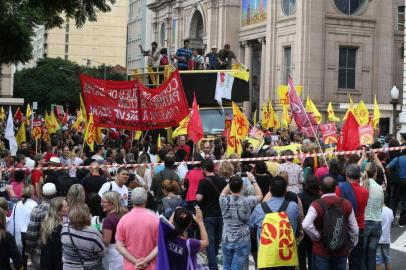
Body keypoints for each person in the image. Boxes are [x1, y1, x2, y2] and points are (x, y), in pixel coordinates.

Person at [302, 176, 359, 270]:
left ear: (320, 189)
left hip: (321, 250)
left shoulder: (316, 205)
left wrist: (317, 236)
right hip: (341, 250)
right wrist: (351, 245)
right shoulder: (346, 204)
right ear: (335, 188)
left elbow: (306, 224)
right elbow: (354, 229)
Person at [250, 176, 300, 270]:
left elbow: (252, 227)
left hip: (266, 259)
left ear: (270, 190)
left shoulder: (259, 209)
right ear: (285, 190)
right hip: (287, 257)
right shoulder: (293, 207)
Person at [220, 175, 263, 270]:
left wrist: (233, 179)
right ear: (242, 187)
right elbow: (260, 195)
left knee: (226, 266)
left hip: (226, 238)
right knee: (237, 267)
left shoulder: (223, 200)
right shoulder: (248, 201)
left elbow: (224, 192)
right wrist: (253, 180)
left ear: (230, 187)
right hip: (242, 239)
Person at [116, 187, 159, 270]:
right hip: (150, 266)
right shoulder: (155, 219)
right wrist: (145, 261)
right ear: (146, 200)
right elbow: (159, 246)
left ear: (131, 200)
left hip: (130, 266)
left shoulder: (124, 219)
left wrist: (135, 261)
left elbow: (119, 245)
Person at [335, 164, 368, 270]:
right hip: (359, 228)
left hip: (343, 228)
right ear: (359, 176)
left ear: (346, 175)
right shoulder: (365, 192)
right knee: (356, 262)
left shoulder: (338, 189)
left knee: (340, 262)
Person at [196, 159, 227, 270]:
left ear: (204, 169)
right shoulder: (222, 180)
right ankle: (212, 260)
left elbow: (198, 198)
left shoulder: (203, 182)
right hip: (221, 215)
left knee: (210, 241)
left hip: (208, 215)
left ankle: (213, 266)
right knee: (217, 240)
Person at [61, 205, 105, 269]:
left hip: (68, 267)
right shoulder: (93, 233)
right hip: (88, 267)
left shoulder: (65, 228)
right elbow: (102, 253)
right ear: (86, 216)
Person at [26, 182, 57, 270]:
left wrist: (29, 251)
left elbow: (31, 233)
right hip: (57, 252)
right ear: (55, 194)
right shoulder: (61, 208)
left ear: (42, 194)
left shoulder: (37, 209)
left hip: (39, 251)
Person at [362, 162, 384, 270]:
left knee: (361, 254)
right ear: (375, 173)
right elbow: (381, 206)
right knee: (372, 255)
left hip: (364, 222)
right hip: (376, 222)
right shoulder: (379, 188)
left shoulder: (361, 185)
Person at [9, 184, 37, 269]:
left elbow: (12, 219)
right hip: (28, 235)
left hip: (17, 234)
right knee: (27, 258)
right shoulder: (34, 204)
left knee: (19, 259)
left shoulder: (16, 204)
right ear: (32, 193)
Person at [297, 175, 320, 270]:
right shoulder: (319, 197)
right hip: (315, 229)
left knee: (302, 255)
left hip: (302, 229)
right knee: (313, 255)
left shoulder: (299, 196)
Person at [40, 197, 69, 270]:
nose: (68, 208)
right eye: (65, 207)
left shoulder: (48, 223)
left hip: (46, 262)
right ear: (58, 211)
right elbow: (57, 252)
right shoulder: (57, 228)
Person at [101, 191, 127, 270]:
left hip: (113, 255)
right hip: (126, 252)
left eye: (104, 202)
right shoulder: (126, 214)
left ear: (112, 203)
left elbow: (106, 242)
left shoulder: (109, 219)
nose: (101, 204)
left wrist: (95, 234)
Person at [386, 148, 406, 226]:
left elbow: (387, 167)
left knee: (394, 201)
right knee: (404, 202)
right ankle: (403, 221)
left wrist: (390, 176)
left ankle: (391, 221)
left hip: (398, 182)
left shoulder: (397, 159)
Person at [376, 192, 394, 270]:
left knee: (377, 260)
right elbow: (392, 220)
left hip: (378, 239)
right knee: (387, 259)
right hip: (386, 239)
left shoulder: (377, 211)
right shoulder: (390, 211)